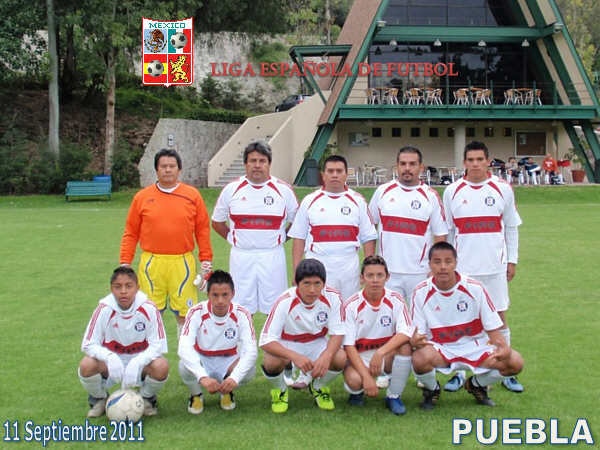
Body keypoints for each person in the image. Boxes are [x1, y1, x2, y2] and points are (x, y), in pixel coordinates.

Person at [443, 141, 523, 393]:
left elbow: (511, 227)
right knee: (459, 321)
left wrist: (512, 260)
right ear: (464, 163)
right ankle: (458, 372)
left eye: (480, 159)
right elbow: (449, 232)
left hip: (494, 268)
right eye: (470, 160)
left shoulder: (503, 189)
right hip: (463, 271)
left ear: (488, 161)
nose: (475, 164)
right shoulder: (452, 191)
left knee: (498, 319)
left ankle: (505, 369)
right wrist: (448, 267)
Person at [411, 242, 524, 410]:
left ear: (456, 263)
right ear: (430, 265)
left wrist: (504, 348)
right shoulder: (420, 292)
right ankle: (432, 390)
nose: (443, 267)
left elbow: (492, 329)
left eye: (448, 261)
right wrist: (414, 342)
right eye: (437, 262)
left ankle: (476, 385)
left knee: (515, 362)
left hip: (476, 347)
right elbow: (418, 335)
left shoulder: (474, 287)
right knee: (419, 358)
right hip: (441, 349)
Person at [120, 149, 213, 339]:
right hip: (152, 263)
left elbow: (202, 231)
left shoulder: (192, 195)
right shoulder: (142, 197)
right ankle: (151, 355)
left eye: (172, 166)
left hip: (183, 263)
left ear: (179, 169)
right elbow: (131, 232)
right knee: (150, 313)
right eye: (163, 166)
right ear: (156, 169)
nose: (168, 170)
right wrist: (125, 262)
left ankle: (185, 354)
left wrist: (206, 261)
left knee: (186, 314)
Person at [212, 140, 298, 315]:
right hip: (241, 258)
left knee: (275, 310)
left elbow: (297, 224)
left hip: (272, 257)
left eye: (262, 161)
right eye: (252, 161)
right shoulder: (231, 189)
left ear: (269, 164)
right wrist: (234, 238)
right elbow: (217, 223)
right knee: (241, 310)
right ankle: (245, 335)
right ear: (245, 164)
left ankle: (272, 335)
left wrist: (280, 237)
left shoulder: (284, 190)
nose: (257, 165)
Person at [79, 267, 169, 418]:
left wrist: (137, 362)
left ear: (137, 288)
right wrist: (110, 357)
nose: (123, 291)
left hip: (140, 362)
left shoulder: (149, 308)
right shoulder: (103, 309)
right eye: (118, 287)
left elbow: (158, 345)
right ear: (111, 289)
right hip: (110, 363)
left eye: (128, 286)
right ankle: (99, 398)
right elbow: (88, 344)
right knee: (86, 365)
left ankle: (146, 398)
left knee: (161, 366)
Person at [259, 259, 346, 413]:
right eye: (306, 283)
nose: (312, 290)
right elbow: (265, 340)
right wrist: (294, 356)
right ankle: (280, 390)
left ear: (324, 283)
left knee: (339, 357)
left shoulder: (333, 296)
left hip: (317, 341)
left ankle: (318, 387)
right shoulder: (285, 300)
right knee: (271, 360)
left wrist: (327, 355)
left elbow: (338, 333)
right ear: (297, 283)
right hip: (289, 342)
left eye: (317, 283)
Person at [289, 154, 377, 302]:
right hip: (318, 263)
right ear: (323, 175)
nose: (334, 175)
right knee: (319, 308)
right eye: (330, 171)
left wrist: (369, 270)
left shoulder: (358, 201)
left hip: (348, 266)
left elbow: (368, 238)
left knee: (348, 308)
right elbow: (299, 238)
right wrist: (296, 271)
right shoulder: (310, 201)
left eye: (339, 171)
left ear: (346, 175)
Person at [368, 145, 448, 301]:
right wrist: (371, 264)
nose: (407, 168)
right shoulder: (383, 192)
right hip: (387, 272)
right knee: (387, 315)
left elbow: (440, 235)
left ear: (421, 167)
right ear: (396, 166)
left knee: (421, 316)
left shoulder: (431, 196)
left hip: (420, 273)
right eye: (403, 164)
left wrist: (435, 268)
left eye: (412, 164)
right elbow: (369, 229)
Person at [178, 270, 257, 414]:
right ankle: (196, 394)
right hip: (203, 358)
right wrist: (202, 376)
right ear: (208, 295)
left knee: (249, 370)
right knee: (184, 366)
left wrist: (234, 378)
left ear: (233, 294)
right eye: (215, 295)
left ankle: (226, 390)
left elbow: (251, 351)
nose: (220, 300)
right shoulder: (196, 312)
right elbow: (184, 347)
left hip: (229, 360)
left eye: (225, 295)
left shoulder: (242, 313)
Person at [343, 256, 413, 415]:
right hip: (360, 357)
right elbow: (348, 345)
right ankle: (357, 392)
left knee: (406, 347)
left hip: (385, 356)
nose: (375, 280)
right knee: (354, 381)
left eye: (380, 275)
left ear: (387, 277)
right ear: (362, 278)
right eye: (370, 276)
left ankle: (393, 396)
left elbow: (406, 331)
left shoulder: (396, 299)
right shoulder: (351, 305)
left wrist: (380, 353)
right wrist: (366, 377)